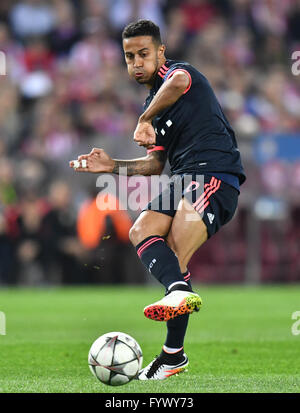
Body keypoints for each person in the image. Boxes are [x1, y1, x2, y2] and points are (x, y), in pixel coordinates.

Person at [69, 19, 246, 380]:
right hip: (183, 177)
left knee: (177, 250)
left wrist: (143, 117)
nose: (136, 62)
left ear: (161, 52)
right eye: (129, 56)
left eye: (144, 54)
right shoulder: (155, 102)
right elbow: (154, 164)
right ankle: (174, 346)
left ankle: (172, 351)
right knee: (141, 230)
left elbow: (178, 83)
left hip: (215, 174)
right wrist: (110, 166)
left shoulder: (179, 75)